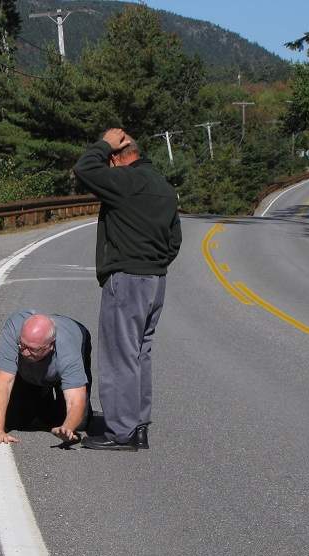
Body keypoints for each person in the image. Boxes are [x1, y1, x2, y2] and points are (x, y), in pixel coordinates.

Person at [73, 128, 182, 451]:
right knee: (139, 354)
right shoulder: (163, 186)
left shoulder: (125, 181)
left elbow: (84, 170)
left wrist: (103, 144)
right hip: (155, 280)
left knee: (119, 356)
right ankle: (138, 425)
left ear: (115, 158)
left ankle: (120, 432)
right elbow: (174, 241)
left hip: (127, 278)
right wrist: (154, 262)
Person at [0, 311, 92, 445]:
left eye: (32, 349)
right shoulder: (13, 330)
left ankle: (50, 397)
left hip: (72, 337)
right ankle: (42, 398)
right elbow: (4, 383)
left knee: (78, 423)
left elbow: (75, 400)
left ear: (51, 345)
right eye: (22, 345)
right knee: (15, 421)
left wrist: (67, 428)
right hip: (31, 372)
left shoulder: (68, 349)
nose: (25, 352)